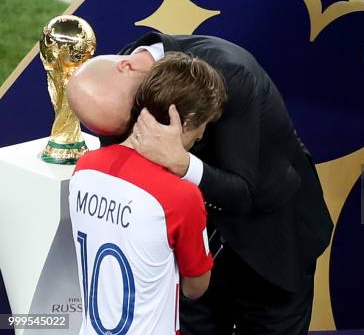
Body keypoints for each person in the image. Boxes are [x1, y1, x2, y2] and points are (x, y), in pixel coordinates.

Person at [66, 34, 334, 334]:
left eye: (135, 120)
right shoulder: (113, 92)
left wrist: (182, 164)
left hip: (270, 245)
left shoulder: (230, 72)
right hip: (190, 254)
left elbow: (243, 192)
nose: (136, 136)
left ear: (127, 66)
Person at [68, 53, 226, 334]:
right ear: (185, 120)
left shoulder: (85, 167)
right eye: (202, 127)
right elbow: (195, 288)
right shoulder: (181, 196)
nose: (200, 138)